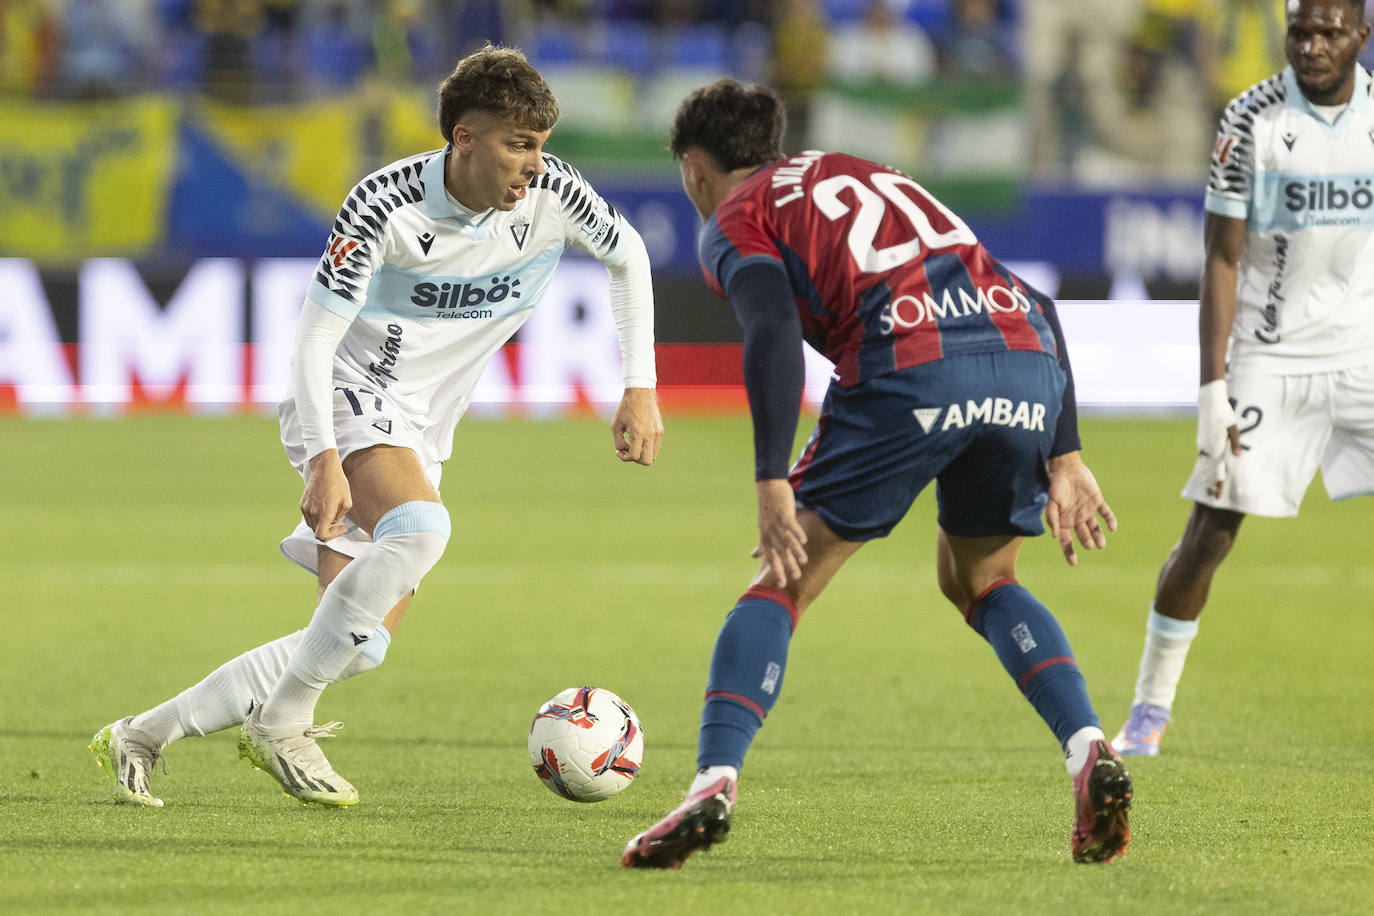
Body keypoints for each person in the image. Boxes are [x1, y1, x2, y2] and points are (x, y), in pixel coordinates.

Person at [89, 44, 663, 807]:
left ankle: (140, 736)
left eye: (540, 147)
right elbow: (313, 339)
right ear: (464, 137)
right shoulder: (385, 205)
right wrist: (322, 457)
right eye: (518, 145)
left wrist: (639, 386)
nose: (534, 166)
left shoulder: (554, 193)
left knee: (353, 644)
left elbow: (629, 255)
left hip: (422, 428)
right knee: (422, 530)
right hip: (347, 393)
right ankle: (281, 724)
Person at [621, 78, 1131, 870]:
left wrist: (770, 478)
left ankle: (713, 780)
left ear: (694, 167)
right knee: (982, 579)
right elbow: (1038, 298)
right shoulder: (857, 170)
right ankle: (1088, 745)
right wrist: (1065, 452)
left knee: (783, 582)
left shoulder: (737, 216)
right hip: (1025, 358)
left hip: (910, 365)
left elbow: (771, 328)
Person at [1113, 0, 1374, 757]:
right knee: (1210, 533)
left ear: (1361, 36)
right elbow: (1221, 259)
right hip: (1272, 359)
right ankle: (1149, 712)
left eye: (1329, 33)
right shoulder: (1252, 120)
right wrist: (1212, 391)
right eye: (1300, 31)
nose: (1312, 46)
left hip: (1362, 354)